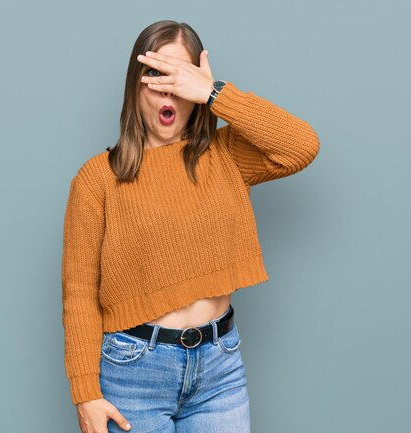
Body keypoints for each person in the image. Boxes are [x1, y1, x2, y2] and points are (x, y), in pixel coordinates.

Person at [61, 19, 320, 433]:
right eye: (155, 74)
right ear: (134, 84)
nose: (167, 89)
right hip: (133, 374)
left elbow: (301, 146)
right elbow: (79, 292)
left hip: (220, 368)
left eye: (178, 76)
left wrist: (216, 93)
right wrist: (85, 394)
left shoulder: (226, 156)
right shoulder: (98, 179)